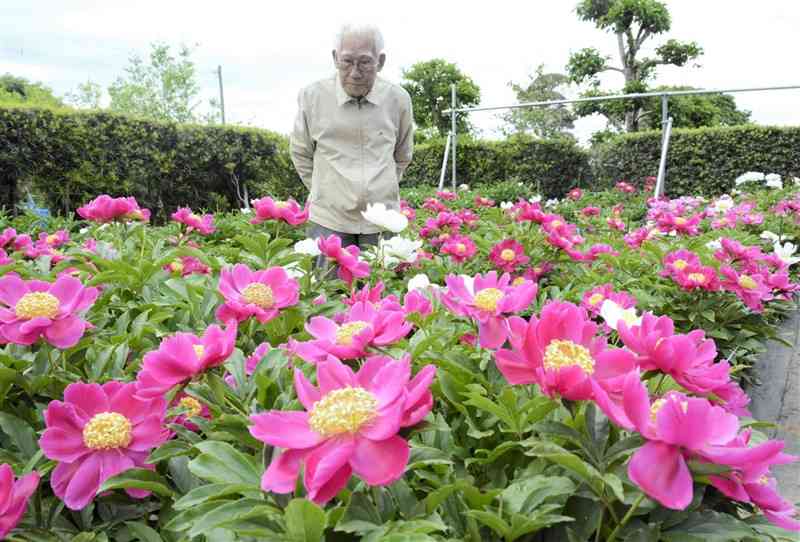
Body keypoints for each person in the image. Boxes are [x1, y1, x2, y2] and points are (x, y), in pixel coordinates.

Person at [290, 23, 414, 251]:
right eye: (347, 61)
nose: (355, 73)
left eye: (365, 62)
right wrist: (325, 190)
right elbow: (300, 152)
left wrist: (381, 187)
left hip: (381, 218)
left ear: (381, 61)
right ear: (336, 58)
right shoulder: (312, 96)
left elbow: (403, 154)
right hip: (329, 218)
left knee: (381, 284)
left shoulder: (398, 99)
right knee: (327, 286)